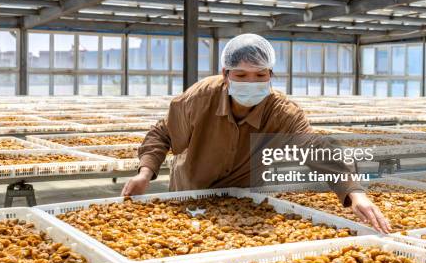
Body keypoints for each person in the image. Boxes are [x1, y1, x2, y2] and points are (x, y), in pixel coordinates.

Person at [122, 33, 391, 233]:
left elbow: (316, 146)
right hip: (189, 193)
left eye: (260, 75)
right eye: (241, 75)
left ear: (270, 74)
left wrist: (354, 192)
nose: (251, 82)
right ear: (225, 74)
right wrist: (145, 173)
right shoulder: (200, 97)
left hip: (244, 202)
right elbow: (163, 132)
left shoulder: (281, 112)